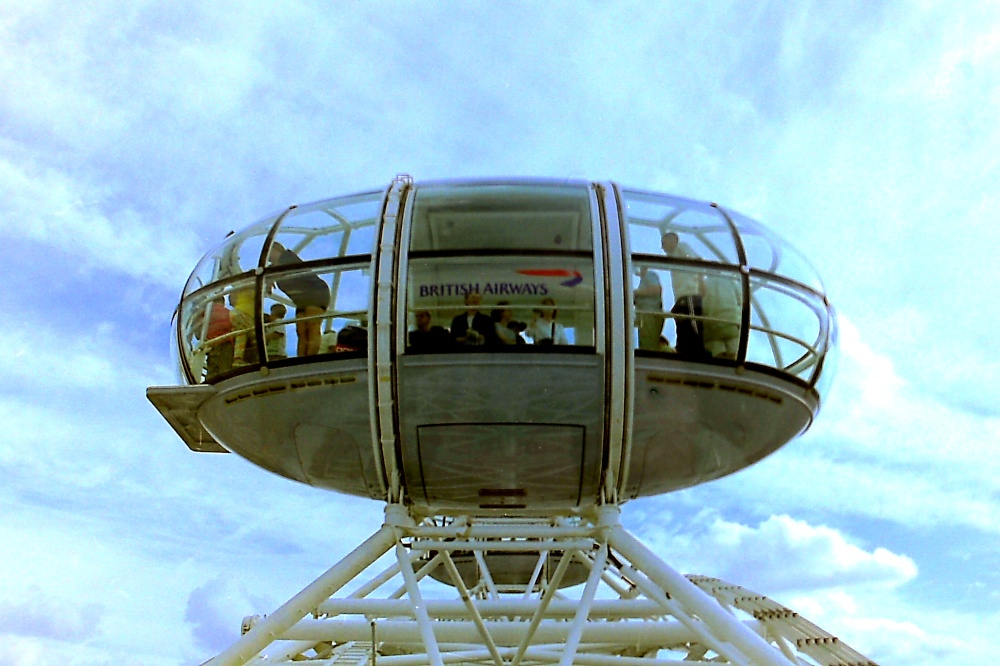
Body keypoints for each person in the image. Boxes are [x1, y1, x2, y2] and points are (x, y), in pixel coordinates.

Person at [267, 241, 331, 357]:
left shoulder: (288, 258)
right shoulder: (273, 268)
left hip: (316, 292)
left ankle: (310, 361)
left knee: (312, 327)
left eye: (270, 252)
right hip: (301, 300)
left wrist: (271, 277)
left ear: (277, 249)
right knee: (301, 331)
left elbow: (283, 268)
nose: (268, 257)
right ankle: (301, 360)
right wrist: (268, 279)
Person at [661, 232, 707, 358]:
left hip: (689, 294)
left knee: (692, 321)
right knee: (682, 320)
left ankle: (696, 350)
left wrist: (701, 282)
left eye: (664, 243)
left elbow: (698, 261)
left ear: (673, 240)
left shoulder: (681, 248)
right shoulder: (673, 256)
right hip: (682, 295)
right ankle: (683, 347)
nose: (662, 247)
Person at [702, 273, 741, 358]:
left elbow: (700, 304)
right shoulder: (731, 282)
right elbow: (741, 300)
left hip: (712, 327)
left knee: (717, 354)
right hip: (731, 323)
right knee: (733, 354)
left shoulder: (704, 283)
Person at [633, 264, 664, 351]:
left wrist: (636, 293)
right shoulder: (643, 280)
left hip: (649, 315)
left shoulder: (649, 274)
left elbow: (656, 289)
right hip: (644, 316)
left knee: (648, 346)